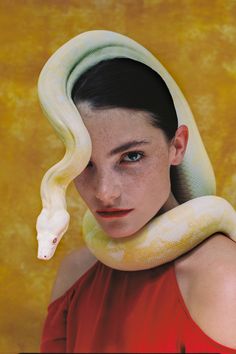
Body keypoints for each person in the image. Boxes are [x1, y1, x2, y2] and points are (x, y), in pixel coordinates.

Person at [40, 58, 236, 353]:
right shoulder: (75, 274)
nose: (105, 193)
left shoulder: (224, 281)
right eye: (86, 164)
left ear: (177, 147)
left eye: (131, 156)